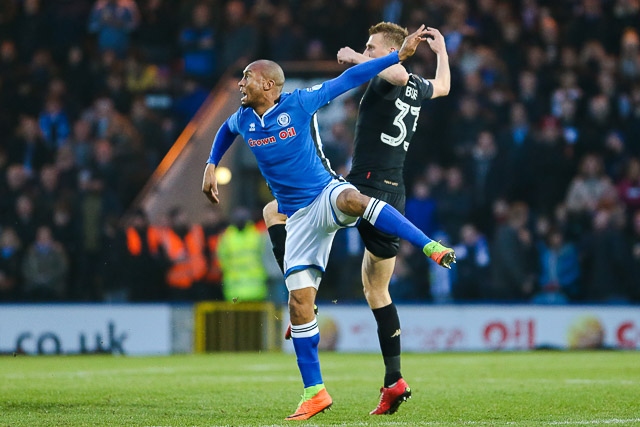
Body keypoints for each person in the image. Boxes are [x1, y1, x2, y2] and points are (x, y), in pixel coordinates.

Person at [202, 25, 454, 421]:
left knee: (353, 201)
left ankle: (429, 246)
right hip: (301, 218)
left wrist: (392, 55)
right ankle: (316, 392)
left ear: (268, 83)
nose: (240, 84)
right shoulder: (244, 119)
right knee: (301, 302)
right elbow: (224, 131)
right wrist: (210, 164)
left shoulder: (299, 103)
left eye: (246, 78)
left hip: (326, 194)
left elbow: (352, 78)